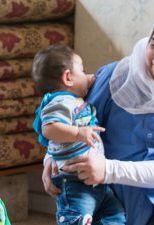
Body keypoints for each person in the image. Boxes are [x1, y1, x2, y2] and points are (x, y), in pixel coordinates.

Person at [42, 4, 154, 225]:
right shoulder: (116, 77)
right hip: (99, 192)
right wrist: (51, 157)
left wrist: (109, 170)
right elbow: (73, 118)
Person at [32, 44, 125, 225]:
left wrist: (89, 80)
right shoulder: (61, 101)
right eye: (82, 70)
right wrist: (78, 133)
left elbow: (87, 82)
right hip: (74, 182)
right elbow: (49, 128)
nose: (87, 75)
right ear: (68, 77)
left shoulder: (75, 101)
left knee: (116, 215)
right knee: (77, 219)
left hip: (96, 181)